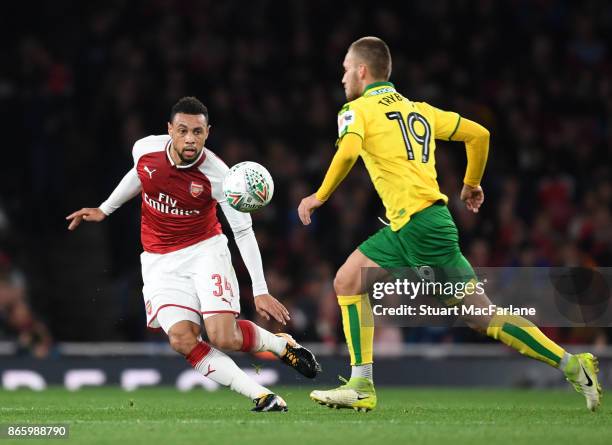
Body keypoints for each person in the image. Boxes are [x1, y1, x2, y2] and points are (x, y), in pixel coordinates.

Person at [298, 37, 601, 412]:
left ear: (362, 70)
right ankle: (574, 365)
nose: (342, 77)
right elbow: (479, 134)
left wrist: (319, 196)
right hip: (421, 223)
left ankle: (572, 365)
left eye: (346, 68)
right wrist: (471, 183)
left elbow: (346, 151)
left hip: (419, 227)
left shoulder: (356, 110)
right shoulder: (418, 109)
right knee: (349, 280)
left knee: (480, 316)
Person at [68, 96, 320, 412]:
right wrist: (105, 209)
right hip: (159, 260)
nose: (190, 139)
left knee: (222, 336)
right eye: (183, 130)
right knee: (182, 340)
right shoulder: (145, 149)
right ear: (169, 130)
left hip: (205, 251)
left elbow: (242, 231)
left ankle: (279, 345)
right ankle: (262, 396)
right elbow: (140, 173)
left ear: (208, 132)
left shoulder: (220, 176)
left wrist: (260, 291)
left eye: (198, 132)